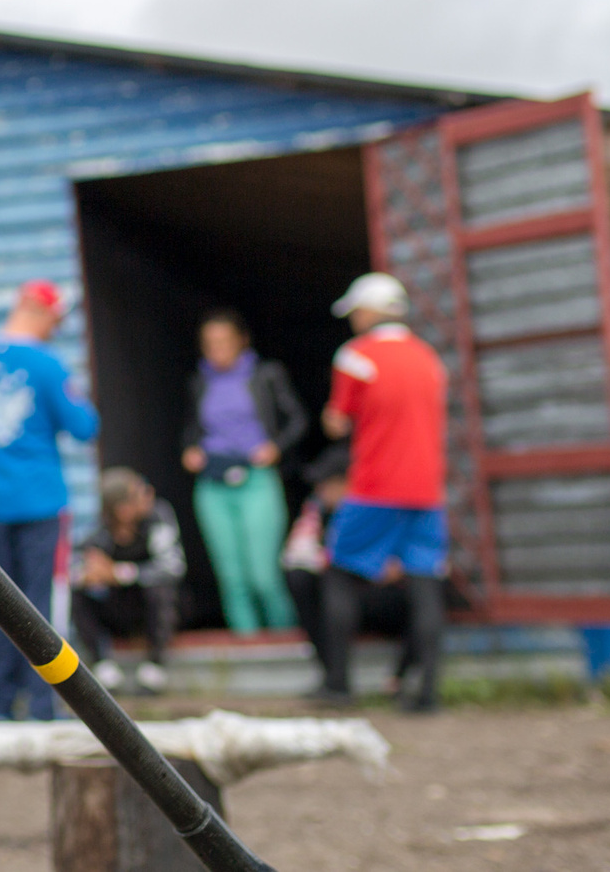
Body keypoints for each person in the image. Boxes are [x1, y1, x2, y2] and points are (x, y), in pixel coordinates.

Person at [0, 279, 100, 720]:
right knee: (43, 605)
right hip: (43, 503)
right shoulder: (47, 365)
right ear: (41, 312)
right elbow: (85, 426)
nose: (58, 329)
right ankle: (42, 705)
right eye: (57, 320)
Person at [315, 272, 449, 712]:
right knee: (425, 584)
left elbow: (338, 421)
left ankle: (338, 684)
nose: (354, 320)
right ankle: (427, 694)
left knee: (338, 572)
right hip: (426, 489)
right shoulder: (429, 358)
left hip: (376, 485)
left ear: (370, 311)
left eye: (356, 312)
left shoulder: (355, 356)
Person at [179, 307, 306, 633]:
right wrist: (190, 450)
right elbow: (192, 428)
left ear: (242, 341)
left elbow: (297, 420)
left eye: (224, 341)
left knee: (263, 574)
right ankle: (244, 643)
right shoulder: (201, 381)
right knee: (232, 577)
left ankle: (285, 640)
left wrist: (275, 447)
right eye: (210, 344)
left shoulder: (265, 375)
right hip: (213, 482)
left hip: (255, 478)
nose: (217, 350)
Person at [282, 448, 412, 695]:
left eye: (327, 484)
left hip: (384, 597)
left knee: (425, 593)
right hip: (342, 600)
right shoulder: (319, 509)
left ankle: (401, 679)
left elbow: (412, 562)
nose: (321, 491)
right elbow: (297, 554)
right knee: (305, 578)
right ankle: (334, 678)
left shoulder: (383, 502)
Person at [72, 467, 186, 694]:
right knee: (78, 595)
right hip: (120, 611)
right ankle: (103, 665)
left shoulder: (157, 517)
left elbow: (174, 567)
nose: (148, 495)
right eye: (139, 493)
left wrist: (121, 573)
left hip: (153, 610)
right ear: (122, 509)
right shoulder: (101, 532)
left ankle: (154, 666)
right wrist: (88, 574)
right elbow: (74, 565)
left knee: (160, 589)